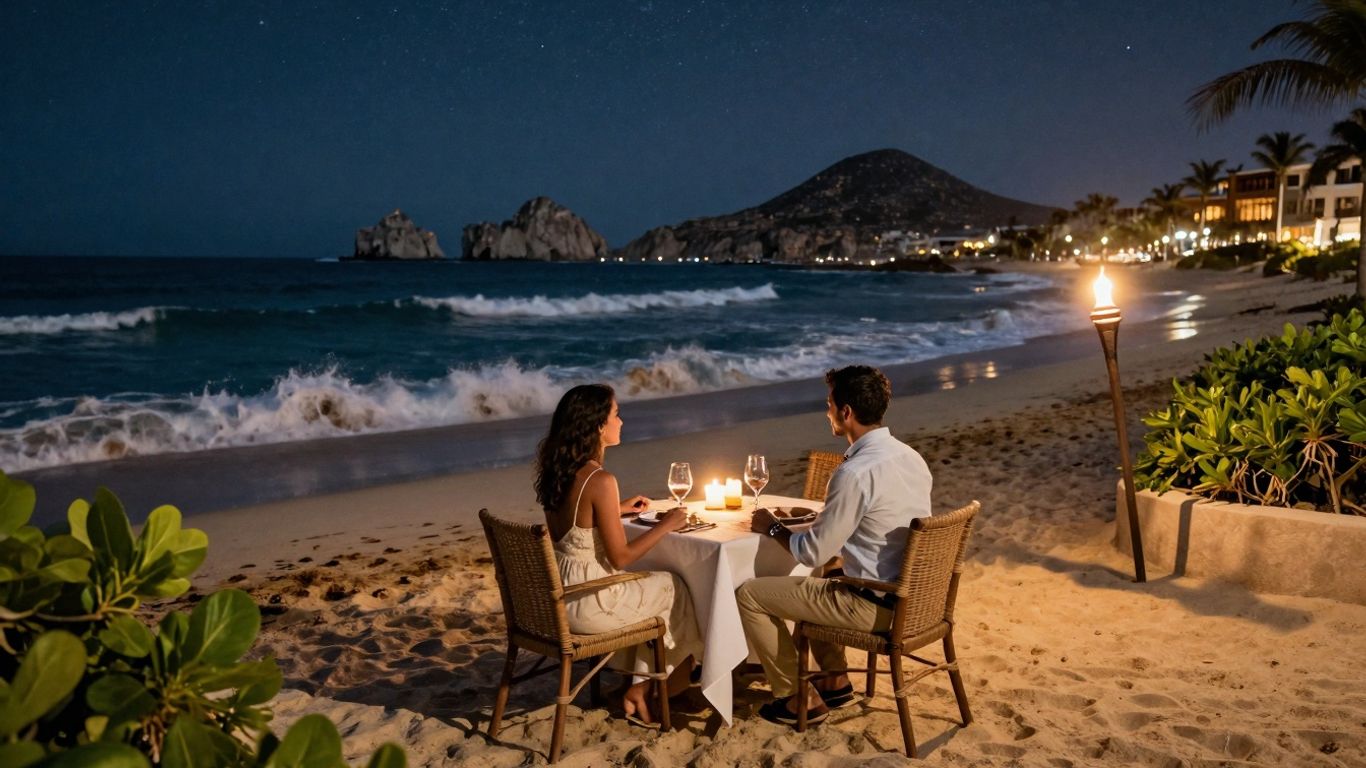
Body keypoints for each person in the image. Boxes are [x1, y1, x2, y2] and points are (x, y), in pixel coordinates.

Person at [736, 365, 932, 726]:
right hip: (913, 600)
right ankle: (834, 679)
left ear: (845, 412)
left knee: (750, 594)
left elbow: (812, 552)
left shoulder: (854, 472)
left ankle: (795, 698)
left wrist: (773, 527)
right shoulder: (911, 457)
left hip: (873, 605)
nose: (826, 411)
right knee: (831, 572)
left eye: (829, 404)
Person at [534, 383, 702, 727]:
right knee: (674, 586)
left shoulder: (560, 472)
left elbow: (574, 524)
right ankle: (643, 689)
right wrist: (667, 524)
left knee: (654, 587)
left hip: (558, 600)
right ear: (598, 426)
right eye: (616, 414)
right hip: (588, 604)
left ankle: (633, 682)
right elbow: (621, 558)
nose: (622, 421)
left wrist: (618, 509)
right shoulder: (600, 479)